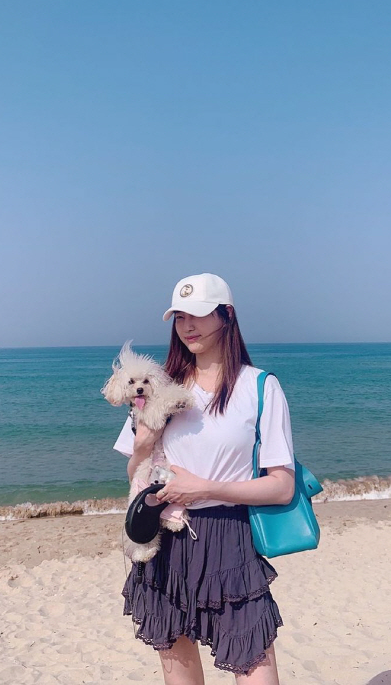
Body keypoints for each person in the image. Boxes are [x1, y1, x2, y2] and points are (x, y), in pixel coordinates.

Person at [113, 273, 296, 685]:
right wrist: (143, 446)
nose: (187, 326)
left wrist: (206, 488)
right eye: (179, 317)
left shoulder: (260, 387)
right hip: (165, 538)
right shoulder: (160, 388)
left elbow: (282, 486)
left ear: (226, 315)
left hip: (231, 539)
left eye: (197, 314)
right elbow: (135, 470)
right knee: (178, 671)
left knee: (254, 665)